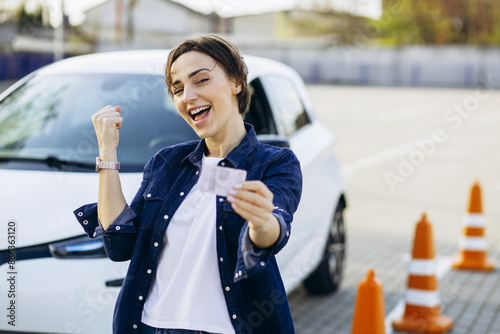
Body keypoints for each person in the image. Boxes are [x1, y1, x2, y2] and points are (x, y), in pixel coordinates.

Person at [74, 35, 302, 334]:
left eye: (201, 80)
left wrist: (261, 221)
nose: (188, 96)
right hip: (148, 325)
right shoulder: (168, 163)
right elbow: (120, 243)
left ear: (236, 82)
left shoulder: (274, 163)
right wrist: (107, 151)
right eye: (178, 88)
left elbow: (274, 231)